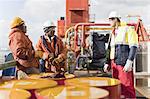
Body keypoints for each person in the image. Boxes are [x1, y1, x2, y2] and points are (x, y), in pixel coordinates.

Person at [104, 11, 138, 98]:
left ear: (117, 19)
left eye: (111, 19)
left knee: (127, 85)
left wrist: (129, 61)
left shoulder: (128, 29)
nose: (110, 21)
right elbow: (109, 49)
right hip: (114, 63)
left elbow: (133, 46)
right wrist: (107, 62)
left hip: (123, 62)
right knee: (117, 86)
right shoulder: (112, 32)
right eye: (109, 19)